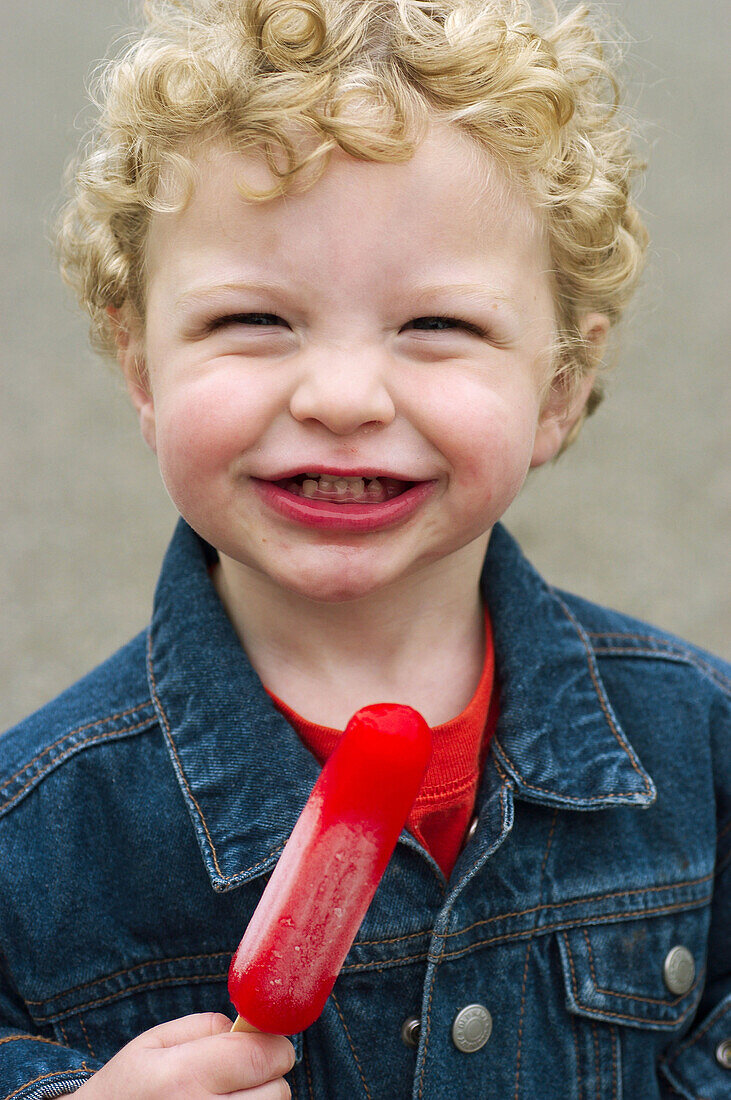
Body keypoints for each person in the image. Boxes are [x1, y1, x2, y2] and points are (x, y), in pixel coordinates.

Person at [1, 0, 728, 1096]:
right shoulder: (38, 835)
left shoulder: (700, 748)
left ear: (557, 389)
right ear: (143, 368)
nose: (341, 396)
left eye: (436, 326)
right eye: (252, 318)